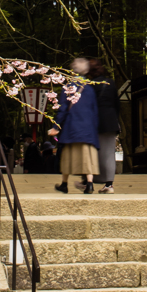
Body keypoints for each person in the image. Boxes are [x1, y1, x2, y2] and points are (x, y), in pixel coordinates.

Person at [49, 58, 99, 194]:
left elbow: (63, 108)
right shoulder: (90, 88)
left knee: (67, 157)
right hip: (88, 129)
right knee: (88, 157)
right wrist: (95, 130)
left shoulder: (69, 87)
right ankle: (89, 184)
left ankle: (64, 184)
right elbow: (94, 111)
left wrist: (56, 126)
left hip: (72, 127)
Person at [87, 57, 120, 194]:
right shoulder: (110, 83)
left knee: (93, 152)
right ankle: (109, 184)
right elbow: (117, 103)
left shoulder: (89, 85)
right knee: (109, 153)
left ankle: (89, 181)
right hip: (111, 120)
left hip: (95, 121)